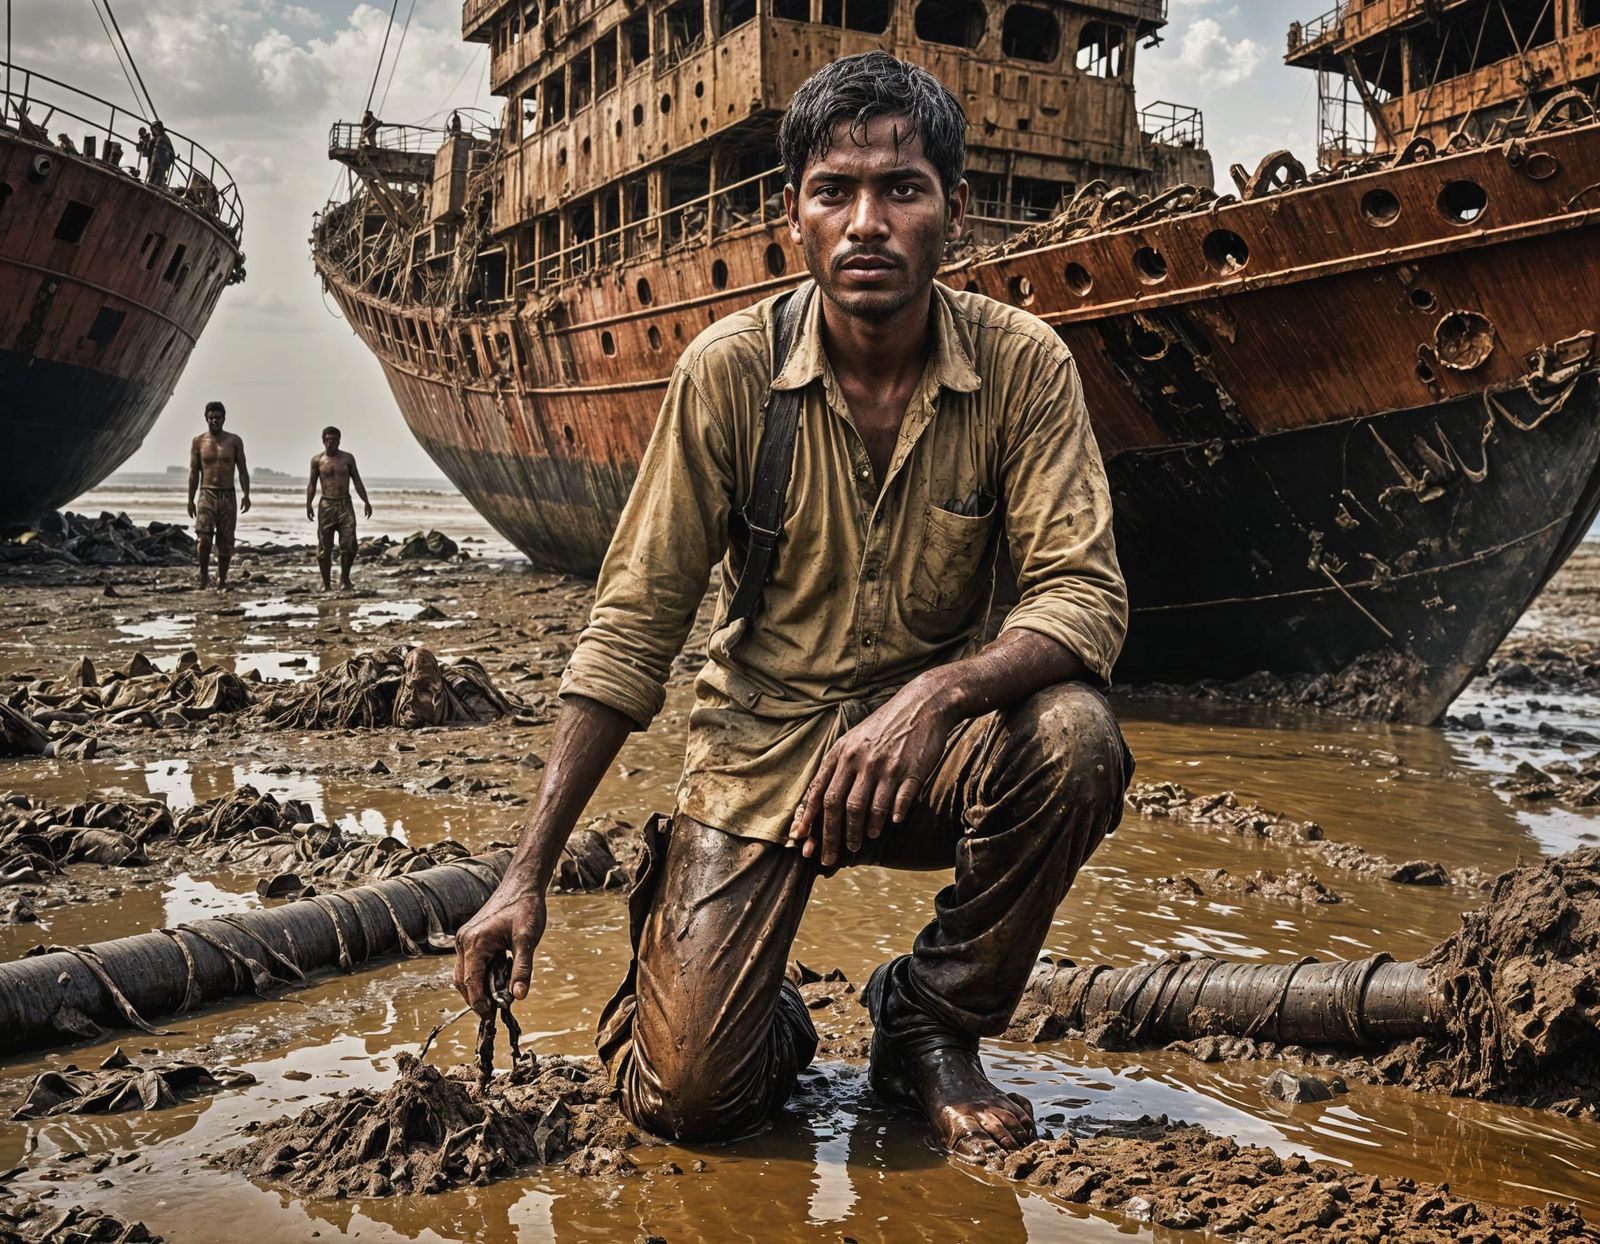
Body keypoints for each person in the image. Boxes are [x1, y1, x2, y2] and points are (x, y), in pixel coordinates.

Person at [454, 52, 1132, 1158]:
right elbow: (633, 625)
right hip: (762, 744)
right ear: (793, 217)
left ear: (954, 212)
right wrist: (521, 873)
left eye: (901, 189)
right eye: (835, 192)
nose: (867, 221)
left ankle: (930, 1018)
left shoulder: (1024, 366)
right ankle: (743, 1008)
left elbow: (1083, 593)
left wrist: (933, 695)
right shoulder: (726, 371)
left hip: (933, 747)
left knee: (1073, 738)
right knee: (688, 1099)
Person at [187, 401, 250, 589]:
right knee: (203, 538)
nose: (215, 421)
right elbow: (193, 472)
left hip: (228, 496)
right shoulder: (198, 442)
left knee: (226, 542)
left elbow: (243, 470)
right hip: (206, 494)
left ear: (224, 418)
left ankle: (222, 580)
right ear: (206, 418)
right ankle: (204, 574)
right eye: (211, 418)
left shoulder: (234, 441)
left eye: (218, 418)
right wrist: (190, 500)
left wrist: (246, 494)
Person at [306, 426, 372, 591]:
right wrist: (308, 504)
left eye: (334, 440)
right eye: (328, 440)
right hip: (326, 505)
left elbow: (357, 480)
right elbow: (312, 484)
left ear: (339, 441)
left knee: (349, 545)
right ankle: (326, 584)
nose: (331, 443)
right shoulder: (317, 460)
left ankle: (345, 580)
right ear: (323, 440)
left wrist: (366, 501)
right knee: (324, 547)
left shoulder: (347, 459)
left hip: (345, 505)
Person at [146, 120, 174, 187]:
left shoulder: (165, 139)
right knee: (151, 181)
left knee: (156, 183)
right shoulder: (153, 140)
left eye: (157, 127)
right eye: (153, 128)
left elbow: (171, 153)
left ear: (161, 127)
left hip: (160, 166)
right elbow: (149, 155)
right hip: (154, 164)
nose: (155, 129)